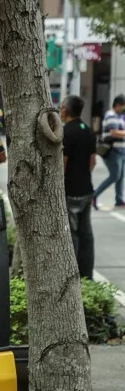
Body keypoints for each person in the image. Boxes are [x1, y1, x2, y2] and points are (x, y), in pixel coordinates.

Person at [60, 95, 96, 279]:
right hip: (86, 188)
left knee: (72, 234)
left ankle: (72, 275)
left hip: (71, 190)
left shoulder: (66, 132)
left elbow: (62, 164)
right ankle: (87, 274)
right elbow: (92, 162)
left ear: (65, 110)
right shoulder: (88, 131)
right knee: (86, 233)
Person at [93, 95, 125, 208]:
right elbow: (114, 132)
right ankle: (94, 195)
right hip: (113, 151)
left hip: (120, 150)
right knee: (115, 176)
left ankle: (119, 199)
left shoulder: (117, 116)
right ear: (117, 105)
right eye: (122, 106)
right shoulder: (111, 115)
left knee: (120, 176)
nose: (123, 108)